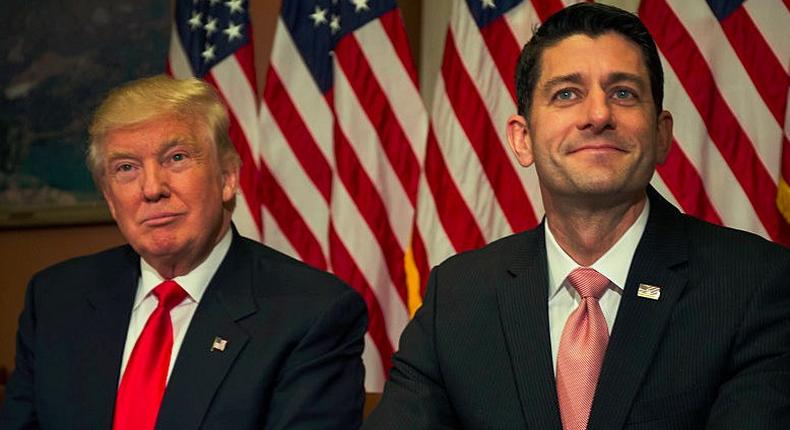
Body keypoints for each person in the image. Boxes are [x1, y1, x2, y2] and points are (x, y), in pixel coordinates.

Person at [363, 3, 790, 429]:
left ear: (661, 136)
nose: (598, 115)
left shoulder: (755, 285)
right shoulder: (456, 297)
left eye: (623, 92)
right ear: (523, 139)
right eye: (567, 93)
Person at [0, 75, 368, 430]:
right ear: (111, 199)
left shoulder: (311, 313)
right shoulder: (55, 298)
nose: (152, 188)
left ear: (227, 178)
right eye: (126, 168)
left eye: (176, 158)